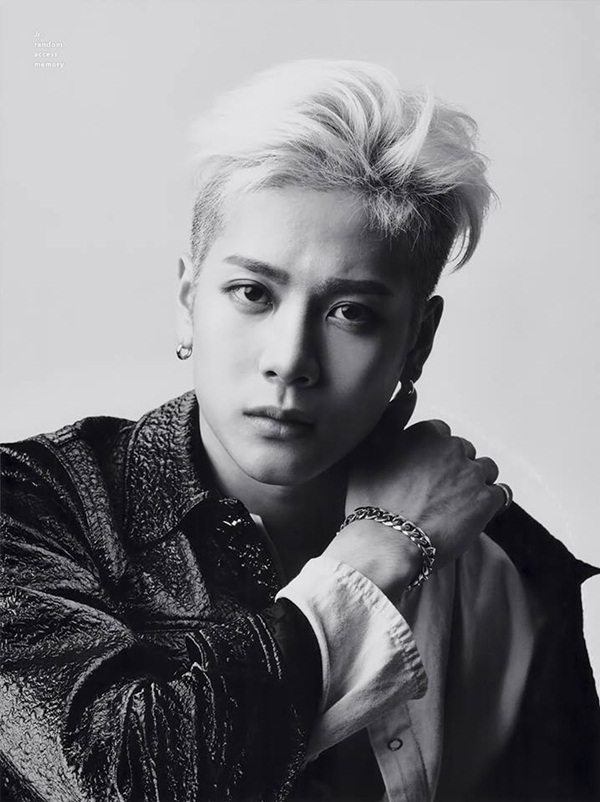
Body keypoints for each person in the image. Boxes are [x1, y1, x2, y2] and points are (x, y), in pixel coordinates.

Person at [1, 60, 598, 802]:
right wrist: (377, 555)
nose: (290, 360)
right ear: (188, 301)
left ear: (417, 340)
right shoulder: (35, 506)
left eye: (351, 312)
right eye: (252, 293)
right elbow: (122, 781)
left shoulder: (505, 569)